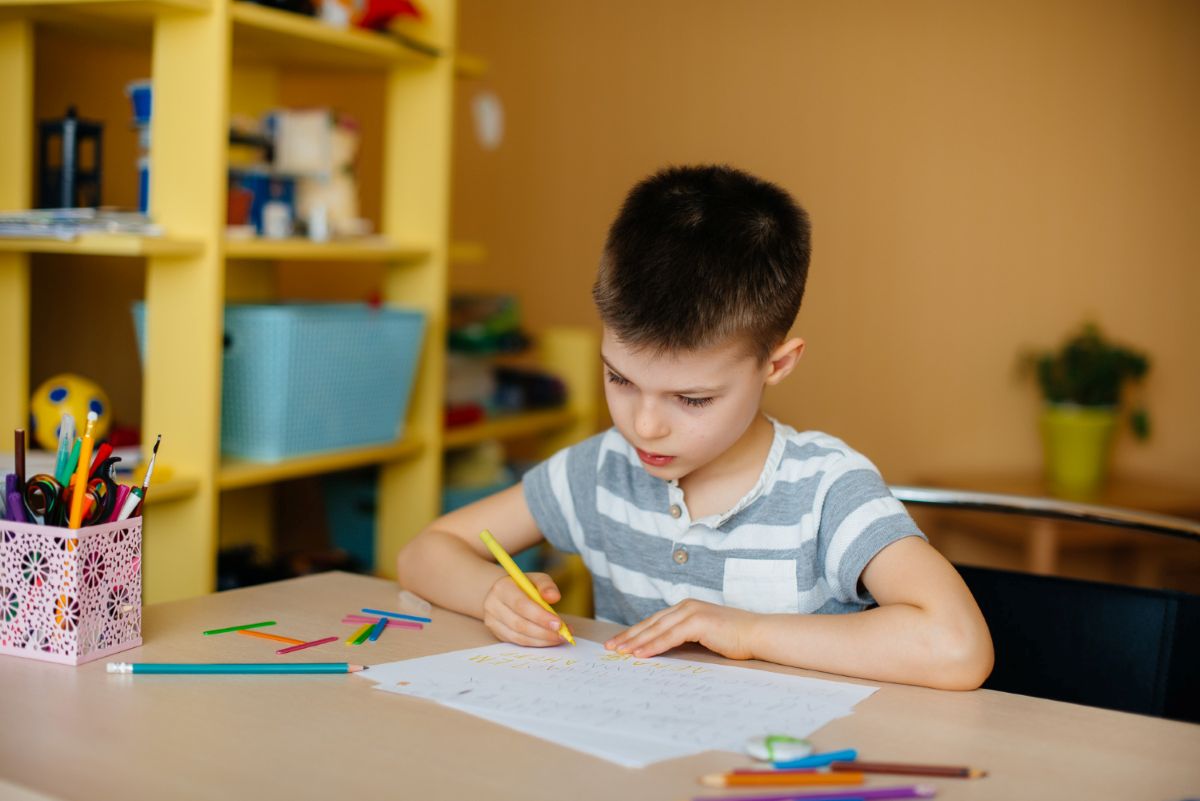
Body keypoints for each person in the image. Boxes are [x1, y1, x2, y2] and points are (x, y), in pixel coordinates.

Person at [397, 164, 993, 690]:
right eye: (620, 380)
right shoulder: (601, 471)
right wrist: (490, 596)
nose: (644, 426)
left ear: (776, 364)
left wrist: (749, 631)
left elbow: (958, 647)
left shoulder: (827, 491)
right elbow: (425, 553)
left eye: (692, 399)